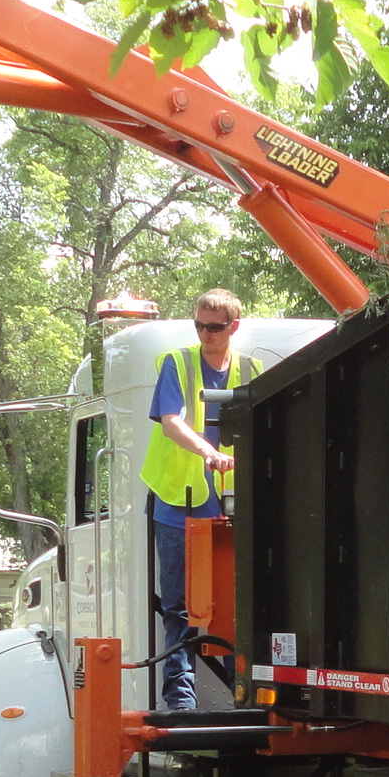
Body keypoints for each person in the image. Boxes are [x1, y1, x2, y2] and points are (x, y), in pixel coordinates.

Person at [140, 288, 258, 712]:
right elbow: (171, 422)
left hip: (230, 508)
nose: (206, 334)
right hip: (178, 500)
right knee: (179, 607)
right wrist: (208, 451)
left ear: (233, 327)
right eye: (200, 326)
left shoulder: (251, 369)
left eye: (215, 327)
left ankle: (246, 694)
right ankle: (181, 701)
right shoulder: (178, 363)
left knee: (232, 606)